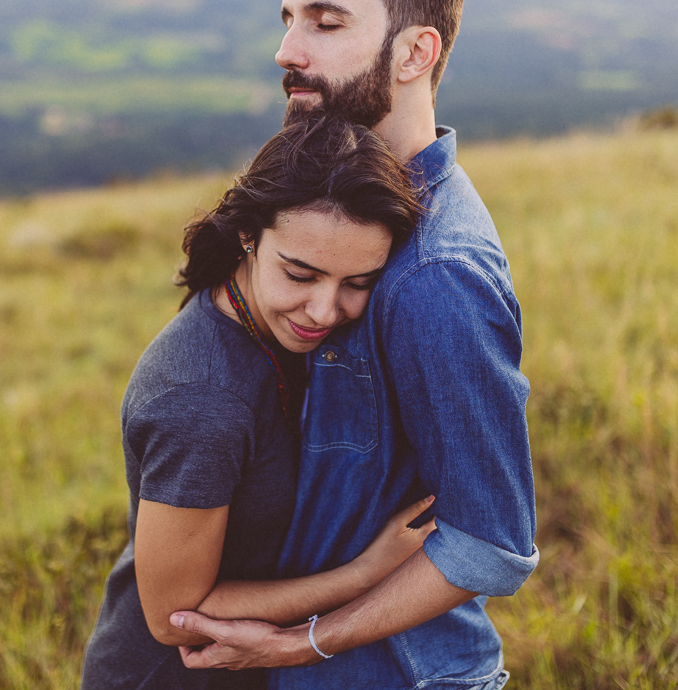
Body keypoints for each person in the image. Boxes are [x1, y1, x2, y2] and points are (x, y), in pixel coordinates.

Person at [169, 0, 539, 689]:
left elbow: (489, 541)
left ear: (415, 52)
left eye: (326, 23)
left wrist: (301, 643)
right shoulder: (343, 209)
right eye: (290, 18)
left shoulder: (438, 275)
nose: (287, 50)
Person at [80, 114, 434, 690]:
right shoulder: (203, 403)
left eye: (358, 283)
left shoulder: (268, 321)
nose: (324, 310)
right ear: (249, 235)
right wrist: (366, 573)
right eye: (300, 274)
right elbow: (173, 618)